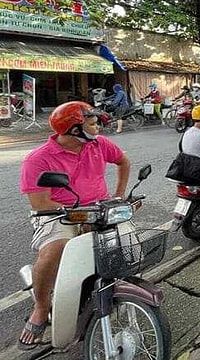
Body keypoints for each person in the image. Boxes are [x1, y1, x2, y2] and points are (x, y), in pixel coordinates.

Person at [18, 101, 130, 349]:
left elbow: (124, 161)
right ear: (74, 130)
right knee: (55, 249)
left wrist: (119, 196)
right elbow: (41, 202)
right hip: (57, 215)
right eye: (91, 123)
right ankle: (40, 307)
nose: (97, 126)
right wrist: (80, 214)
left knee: (128, 243)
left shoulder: (99, 145)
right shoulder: (38, 159)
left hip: (99, 210)